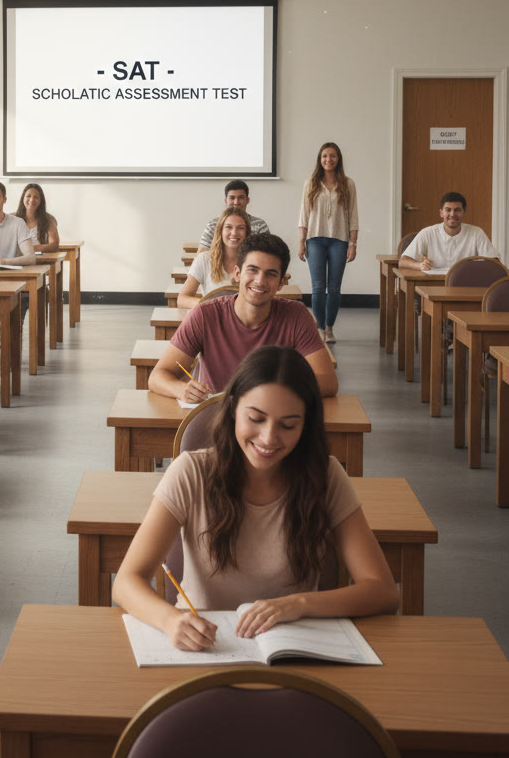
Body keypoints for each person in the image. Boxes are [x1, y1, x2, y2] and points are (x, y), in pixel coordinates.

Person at [112, 346, 397, 650]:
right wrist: (169, 620)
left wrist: (298, 604)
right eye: (256, 419)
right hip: (206, 647)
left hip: (293, 646)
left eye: (288, 425)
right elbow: (126, 582)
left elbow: (382, 591)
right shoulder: (191, 472)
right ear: (233, 409)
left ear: (305, 425)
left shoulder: (324, 475)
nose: (269, 438)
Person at [150, 233, 337, 402]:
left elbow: (328, 381)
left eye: (271, 274)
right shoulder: (203, 315)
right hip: (216, 419)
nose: (260, 280)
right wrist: (180, 388)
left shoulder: (296, 315)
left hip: (269, 419)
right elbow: (158, 376)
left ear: (281, 283)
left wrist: (268, 392)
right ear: (237, 273)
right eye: (253, 270)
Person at [297, 142, 359, 344]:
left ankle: (330, 328)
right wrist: (301, 242)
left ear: (338, 159)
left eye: (332, 156)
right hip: (315, 239)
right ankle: (320, 328)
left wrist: (353, 243)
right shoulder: (311, 183)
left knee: (334, 288)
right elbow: (303, 215)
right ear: (319, 159)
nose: (328, 160)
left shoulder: (348, 184)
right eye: (324, 156)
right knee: (317, 287)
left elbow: (353, 214)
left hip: (339, 240)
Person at [399, 191, 498, 272]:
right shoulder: (428, 233)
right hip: (433, 286)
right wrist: (420, 265)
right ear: (441, 213)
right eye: (448, 210)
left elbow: (495, 262)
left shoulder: (477, 233)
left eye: (457, 210)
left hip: (466, 284)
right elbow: (403, 261)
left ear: (464, 212)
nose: (452, 214)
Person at [178, 207, 250, 309]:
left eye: (241, 228)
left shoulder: (253, 261)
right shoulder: (204, 259)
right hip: (212, 318)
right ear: (220, 230)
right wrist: (212, 306)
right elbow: (182, 299)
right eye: (229, 227)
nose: (234, 232)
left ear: (247, 232)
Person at [196, 180, 269, 252]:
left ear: (247, 200)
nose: (236, 202)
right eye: (232, 198)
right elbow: (201, 255)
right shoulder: (213, 225)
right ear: (226, 201)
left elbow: (266, 256)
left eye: (241, 197)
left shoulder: (260, 225)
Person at [15, 182, 60, 254]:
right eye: (28, 196)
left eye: (36, 197)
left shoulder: (48, 220)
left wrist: (30, 248)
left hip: (39, 261)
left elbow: (54, 245)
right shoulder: (14, 219)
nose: (32, 200)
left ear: (40, 201)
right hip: (17, 260)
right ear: (23, 198)